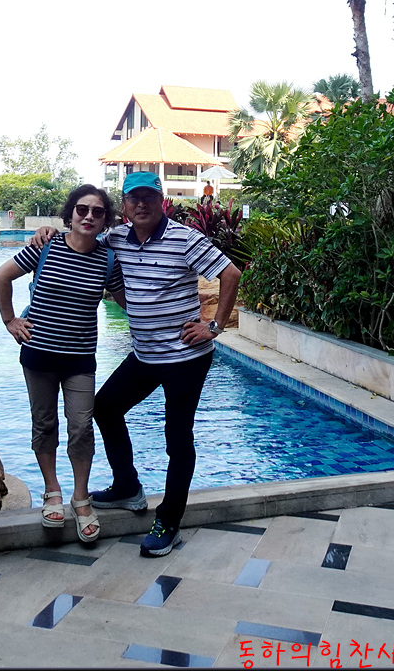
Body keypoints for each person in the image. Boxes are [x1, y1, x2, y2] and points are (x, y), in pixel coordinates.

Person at [31, 171, 241, 557]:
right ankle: (127, 485)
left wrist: (214, 326)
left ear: (161, 201)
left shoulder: (184, 238)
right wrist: (47, 232)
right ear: (124, 206)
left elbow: (231, 273)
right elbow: (81, 237)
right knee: (105, 407)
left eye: (148, 197)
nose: (141, 204)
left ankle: (169, 521)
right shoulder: (117, 239)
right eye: (133, 198)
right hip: (145, 355)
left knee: (177, 437)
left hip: (184, 358)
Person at [0, 184, 125, 543]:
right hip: (38, 354)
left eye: (97, 212)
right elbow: (2, 276)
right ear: (71, 213)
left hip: (80, 359)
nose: (89, 216)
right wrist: (9, 321)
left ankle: (80, 497)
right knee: (44, 423)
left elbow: (127, 301)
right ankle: (52, 490)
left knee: (81, 427)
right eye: (82, 209)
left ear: (105, 220)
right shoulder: (45, 246)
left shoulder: (108, 260)